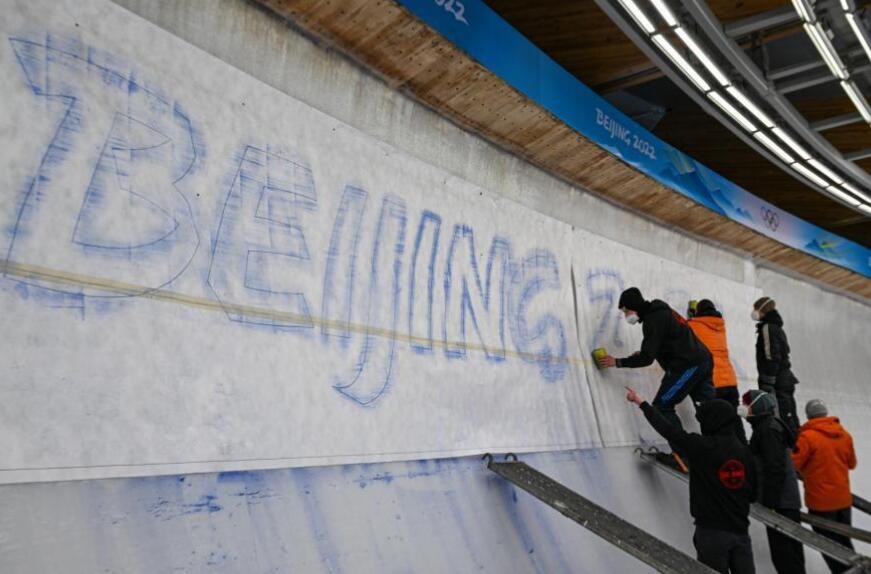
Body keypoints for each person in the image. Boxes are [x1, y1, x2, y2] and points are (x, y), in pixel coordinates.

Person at [626, 388, 756, 574]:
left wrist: (642, 403)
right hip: (741, 532)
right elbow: (752, 494)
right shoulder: (745, 453)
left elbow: (669, 431)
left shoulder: (702, 447)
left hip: (711, 533)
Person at [598, 287, 715, 441]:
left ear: (634, 306)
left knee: (662, 407)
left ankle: (684, 452)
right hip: (703, 360)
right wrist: (648, 353)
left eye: (626, 311)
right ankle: (719, 451)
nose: (626, 316)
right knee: (711, 411)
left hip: (688, 365)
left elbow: (647, 359)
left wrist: (618, 362)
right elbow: (670, 341)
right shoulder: (662, 311)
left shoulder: (653, 319)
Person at [741, 390, 805, 574]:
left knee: (785, 556)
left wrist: (770, 501)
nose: (743, 407)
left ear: (757, 406)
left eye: (747, 404)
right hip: (783, 500)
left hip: (780, 503)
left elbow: (774, 466)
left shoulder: (768, 430)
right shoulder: (767, 426)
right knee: (788, 555)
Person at [791, 399, 857, 574]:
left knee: (828, 545)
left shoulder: (807, 437)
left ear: (809, 415)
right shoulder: (844, 435)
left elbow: (793, 464)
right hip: (843, 501)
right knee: (844, 541)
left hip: (821, 502)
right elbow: (852, 463)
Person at [688, 299, 746, 444]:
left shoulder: (693, 325)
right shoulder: (721, 326)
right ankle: (744, 450)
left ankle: (715, 451)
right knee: (734, 418)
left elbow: (688, 330)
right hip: (730, 380)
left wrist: (691, 316)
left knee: (712, 420)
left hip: (713, 381)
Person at [752, 296, 799, 434]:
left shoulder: (767, 328)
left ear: (762, 310)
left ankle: (790, 450)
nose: (754, 312)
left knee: (781, 417)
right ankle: (797, 445)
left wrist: (768, 381)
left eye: (756, 309)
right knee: (790, 415)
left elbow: (771, 356)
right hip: (785, 379)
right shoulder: (776, 327)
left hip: (778, 382)